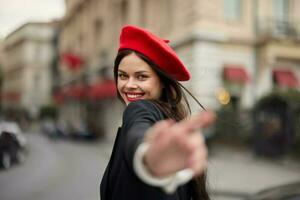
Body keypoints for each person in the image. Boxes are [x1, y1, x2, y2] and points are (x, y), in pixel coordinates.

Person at [100, 25, 215, 200]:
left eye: (141, 76)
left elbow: (138, 131)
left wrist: (146, 157)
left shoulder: (138, 108)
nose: (129, 84)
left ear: (162, 82)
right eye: (123, 75)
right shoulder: (171, 121)